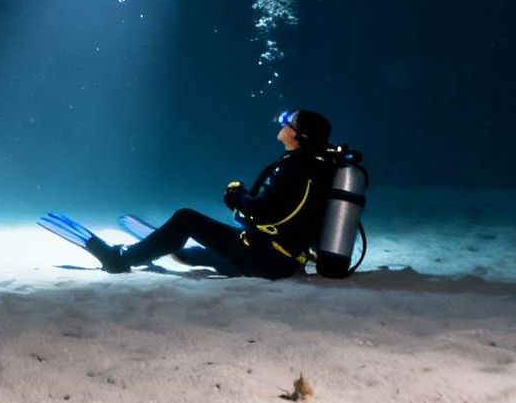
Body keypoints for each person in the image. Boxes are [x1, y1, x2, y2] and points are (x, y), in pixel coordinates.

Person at [44, 108, 337, 279]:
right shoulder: (313, 166)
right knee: (196, 255)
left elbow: (265, 212)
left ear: (299, 136)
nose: (283, 122)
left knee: (186, 219)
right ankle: (168, 247)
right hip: (279, 260)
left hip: (266, 259)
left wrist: (238, 197)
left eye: (289, 121)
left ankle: (120, 260)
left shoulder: (297, 167)